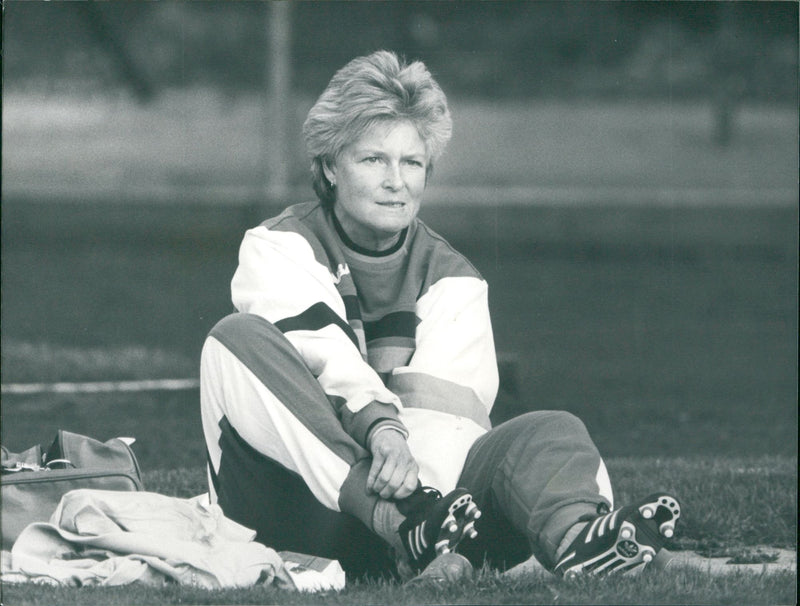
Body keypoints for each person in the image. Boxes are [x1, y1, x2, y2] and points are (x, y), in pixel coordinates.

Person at [200, 50, 681, 581]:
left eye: (412, 163)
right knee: (234, 340)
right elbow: (323, 353)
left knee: (551, 430)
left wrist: (424, 500)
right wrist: (382, 430)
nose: (396, 181)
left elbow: (445, 426)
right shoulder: (279, 245)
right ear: (331, 167)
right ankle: (409, 527)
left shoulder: (455, 278)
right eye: (373, 160)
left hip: (431, 515)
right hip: (292, 510)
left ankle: (580, 542)